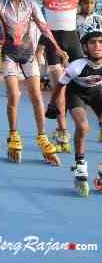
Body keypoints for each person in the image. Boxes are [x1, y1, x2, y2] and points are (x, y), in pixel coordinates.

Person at [4, 0, 102, 153]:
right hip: (52, 40)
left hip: (73, 41)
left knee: (89, 83)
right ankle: (61, 128)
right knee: (61, 84)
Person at [0, 0, 66, 165]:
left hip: (28, 55)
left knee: (36, 96)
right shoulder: (0, 3)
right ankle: (14, 134)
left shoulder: (31, 4)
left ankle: (42, 136)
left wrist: (57, 48)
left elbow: (44, 26)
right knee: (14, 94)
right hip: (9, 56)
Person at [51, 22, 102, 196]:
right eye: (93, 42)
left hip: (97, 93)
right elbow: (59, 86)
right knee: (83, 127)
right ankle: (80, 165)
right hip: (77, 93)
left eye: (101, 42)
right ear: (85, 47)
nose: (97, 46)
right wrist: (53, 105)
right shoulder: (77, 66)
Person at [77, 0, 102, 142]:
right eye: (86, 2)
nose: (89, 5)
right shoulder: (73, 19)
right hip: (79, 62)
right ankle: (62, 129)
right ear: (80, 3)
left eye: (92, 2)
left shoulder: (99, 19)